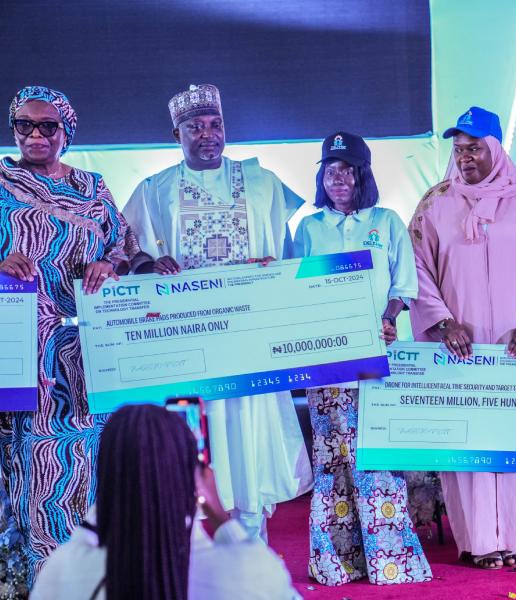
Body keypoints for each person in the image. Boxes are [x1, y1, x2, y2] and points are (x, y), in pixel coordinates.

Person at [122, 84, 312, 539]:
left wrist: (275, 271)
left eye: (215, 125)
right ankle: (191, 546)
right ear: (177, 133)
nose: (207, 134)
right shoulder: (154, 190)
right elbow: (127, 248)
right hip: (191, 342)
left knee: (251, 434)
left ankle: (250, 545)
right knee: (194, 430)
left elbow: (287, 254)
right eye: (195, 127)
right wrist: (149, 264)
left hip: (250, 336)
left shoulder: (263, 182)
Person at [409, 107, 516, 569]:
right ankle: (477, 541)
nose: (465, 158)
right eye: (458, 150)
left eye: (474, 148)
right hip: (461, 349)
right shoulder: (435, 203)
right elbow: (418, 270)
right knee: (469, 439)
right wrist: (441, 322)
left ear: (495, 148)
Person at [0, 86, 139, 583]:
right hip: (22, 353)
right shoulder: (0, 180)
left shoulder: (94, 188)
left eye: (47, 126)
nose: (35, 135)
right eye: (24, 126)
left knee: (92, 462)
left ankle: (94, 580)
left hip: (88, 350)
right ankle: (40, 583)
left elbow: (125, 248)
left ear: (66, 131)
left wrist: (109, 263)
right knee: (33, 467)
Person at [293, 132, 432, 586]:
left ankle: (390, 560)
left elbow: (403, 286)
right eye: (331, 170)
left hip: (377, 355)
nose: (338, 179)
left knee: (374, 452)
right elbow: (295, 290)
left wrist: (390, 320)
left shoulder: (387, 221)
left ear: (362, 175)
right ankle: (338, 562)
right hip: (327, 363)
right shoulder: (309, 228)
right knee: (333, 457)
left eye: (347, 170)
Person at [30, 404, 299, 600]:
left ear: (105, 472)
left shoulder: (64, 573)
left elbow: (79, 546)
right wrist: (218, 517)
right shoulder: (249, 572)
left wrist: (117, 492)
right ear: (194, 475)